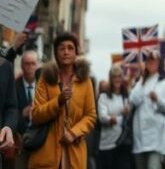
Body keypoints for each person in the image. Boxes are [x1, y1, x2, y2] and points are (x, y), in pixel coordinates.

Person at [28, 32, 96, 169]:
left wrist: (74, 132)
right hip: (46, 154)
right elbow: (35, 114)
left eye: (70, 48)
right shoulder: (45, 78)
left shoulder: (85, 81)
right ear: (55, 52)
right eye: (62, 48)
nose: (66, 52)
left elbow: (91, 115)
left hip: (74, 153)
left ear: (76, 53)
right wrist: (58, 101)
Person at [130, 51, 165, 169]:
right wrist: (142, 80)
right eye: (149, 61)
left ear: (159, 64)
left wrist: (158, 100)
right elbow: (133, 100)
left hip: (156, 137)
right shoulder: (140, 81)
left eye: (154, 61)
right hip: (140, 137)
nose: (151, 64)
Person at [96, 65, 132, 169]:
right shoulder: (103, 97)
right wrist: (118, 116)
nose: (117, 79)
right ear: (111, 79)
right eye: (114, 77)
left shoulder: (126, 96)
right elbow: (103, 118)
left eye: (119, 76)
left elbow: (129, 117)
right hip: (107, 144)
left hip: (123, 142)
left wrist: (114, 117)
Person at [14, 49, 38, 169]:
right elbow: (8, 112)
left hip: (39, 140)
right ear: (22, 65)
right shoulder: (14, 86)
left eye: (33, 63)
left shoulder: (44, 86)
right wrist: (22, 114)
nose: (30, 67)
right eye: (27, 63)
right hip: (20, 140)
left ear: (37, 65)